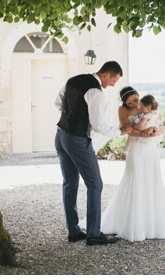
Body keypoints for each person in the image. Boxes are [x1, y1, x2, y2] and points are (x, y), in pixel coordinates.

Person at [55, 61, 133, 246]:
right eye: (114, 80)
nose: (113, 85)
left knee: (70, 183)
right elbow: (97, 125)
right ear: (106, 75)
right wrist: (119, 132)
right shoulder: (96, 92)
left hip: (60, 135)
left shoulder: (73, 81)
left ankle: (74, 231)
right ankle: (93, 234)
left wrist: (72, 116)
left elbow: (58, 103)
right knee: (95, 184)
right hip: (77, 139)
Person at [91, 87, 165, 242]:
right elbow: (127, 129)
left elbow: (161, 128)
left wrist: (153, 130)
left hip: (150, 150)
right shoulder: (122, 110)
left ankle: (151, 225)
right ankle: (132, 224)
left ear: (138, 96)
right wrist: (144, 132)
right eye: (130, 103)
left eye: (135, 100)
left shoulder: (147, 106)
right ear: (124, 103)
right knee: (134, 180)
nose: (134, 105)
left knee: (151, 181)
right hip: (136, 150)